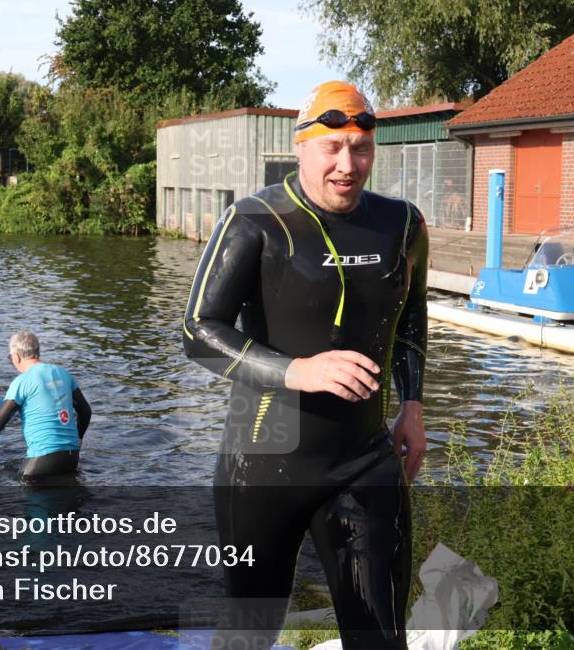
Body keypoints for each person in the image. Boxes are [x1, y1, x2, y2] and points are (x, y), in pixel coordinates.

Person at [182, 81, 428, 649]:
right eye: (332, 148)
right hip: (263, 464)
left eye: (360, 149)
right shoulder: (254, 220)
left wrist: (411, 406)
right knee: (251, 631)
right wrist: (298, 372)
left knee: (381, 636)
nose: (348, 165)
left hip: (365, 459)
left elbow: (411, 321)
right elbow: (197, 330)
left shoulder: (402, 225)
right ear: (301, 146)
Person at [0, 330, 92, 482]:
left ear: (16, 357)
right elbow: (85, 411)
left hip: (42, 459)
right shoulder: (63, 373)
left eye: (10, 357)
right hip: (71, 458)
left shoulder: (22, 381)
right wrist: (78, 439)